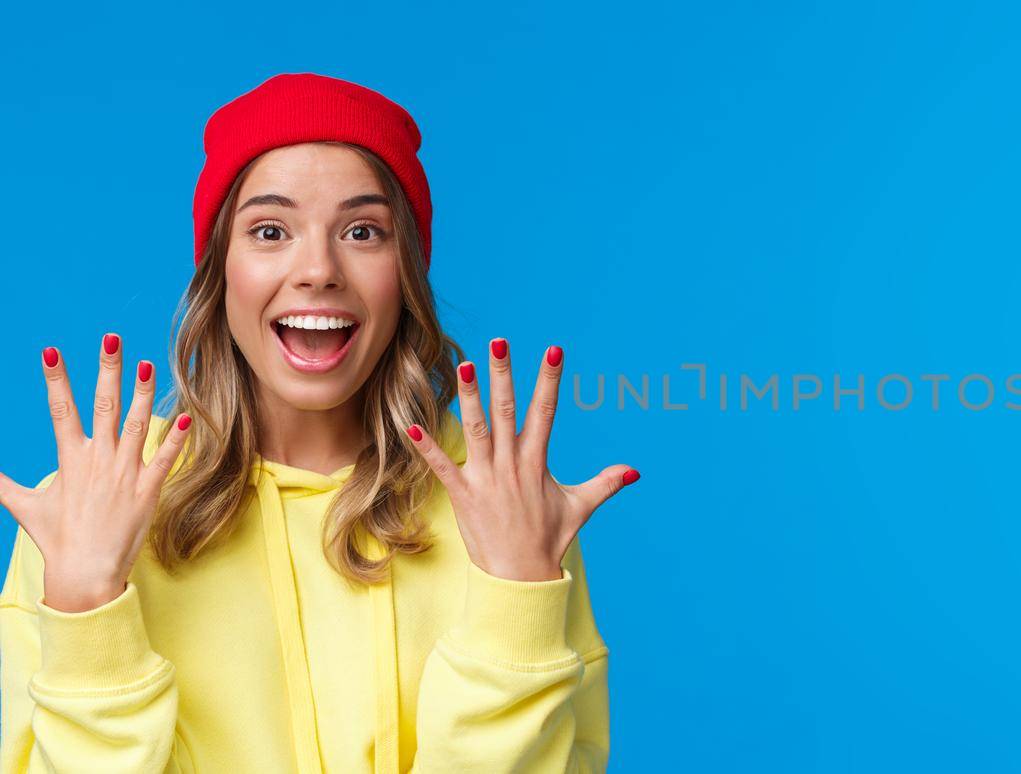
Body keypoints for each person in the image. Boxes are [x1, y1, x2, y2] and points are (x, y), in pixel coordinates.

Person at [0, 72, 634, 772]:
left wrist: (517, 600)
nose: (318, 270)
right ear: (221, 270)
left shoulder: (506, 502)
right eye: (270, 230)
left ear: (408, 273)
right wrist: (87, 611)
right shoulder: (89, 507)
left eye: (363, 231)